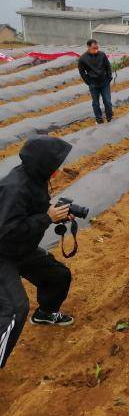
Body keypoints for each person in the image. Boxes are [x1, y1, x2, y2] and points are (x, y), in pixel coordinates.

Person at [0, 136, 75, 368]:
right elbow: (6, 232)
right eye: (55, 165)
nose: (57, 169)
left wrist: (56, 214)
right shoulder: (15, 188)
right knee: (15, 309)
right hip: (2, 252)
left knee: (58, 276)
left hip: (20, 248)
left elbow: (33, 208)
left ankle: (45, 313)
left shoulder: (35, 178)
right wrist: (46, 218)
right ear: (44, 165)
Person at [77, 39, 113, 124]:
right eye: (94, 48)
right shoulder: (83, 58)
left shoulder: (102, 55)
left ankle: (109, 117)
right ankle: (99, 119)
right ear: (88, 47)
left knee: (107, 101)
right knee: (96, 103)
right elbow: (82, 72)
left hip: (104, 82)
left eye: (97, 48)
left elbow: (108, 66)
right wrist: (88, 82)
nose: (96, 50)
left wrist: (109, 77)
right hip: (93, 84)